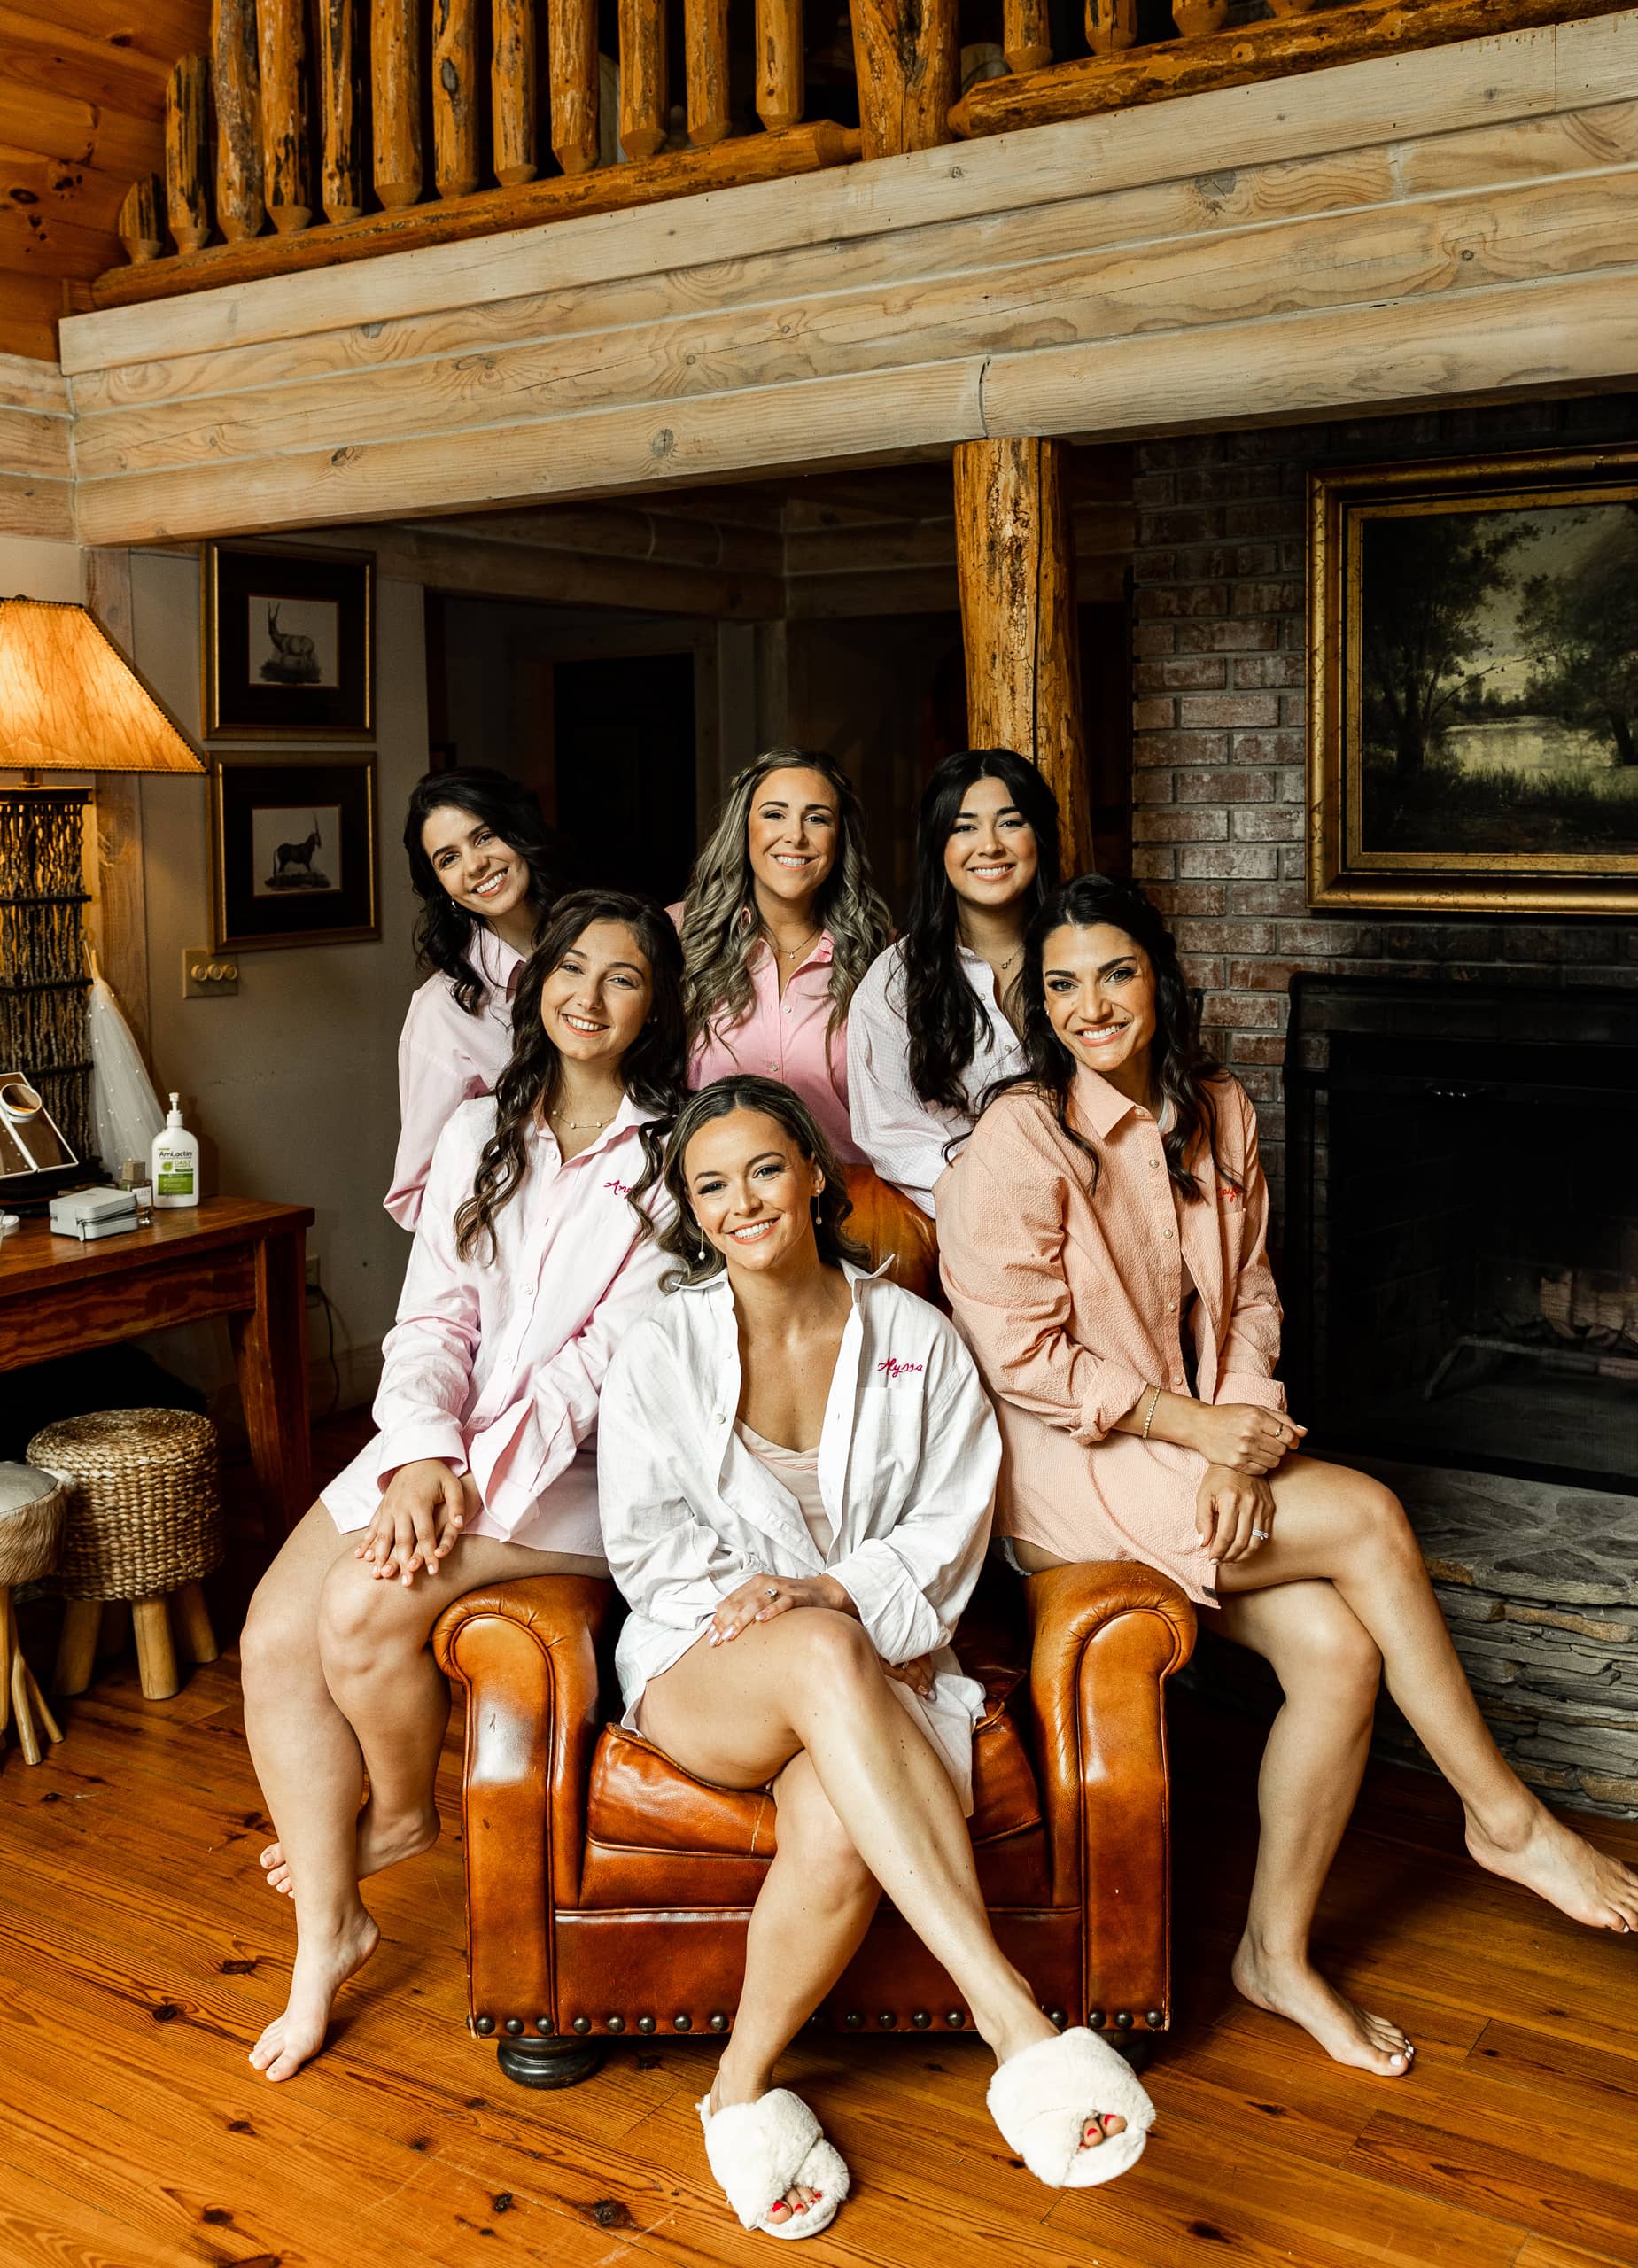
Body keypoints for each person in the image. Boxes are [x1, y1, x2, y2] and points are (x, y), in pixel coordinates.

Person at [938, 874, 1638, 2081]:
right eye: (1060, 984)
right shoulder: (1018, 1137)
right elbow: (1023, 1361)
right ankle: (1507, 1818)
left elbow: (1252, 1297)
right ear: (1036, 1002)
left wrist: (1247, 1425)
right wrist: (1197, 1430)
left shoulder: (1217, 1109)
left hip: (1197, 1435)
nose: (1090, 1005)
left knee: (1336, 1651)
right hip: (1074, 1466)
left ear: (1160, 976)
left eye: (1116, 971)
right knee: (1367, 1512)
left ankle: (1274, 1957)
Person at [597, 1074, 1156, 2240]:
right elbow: (646, 1546)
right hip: (710, 1666)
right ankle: (1014, 2022)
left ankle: (737, 2090)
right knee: (813, 1647)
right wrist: (798, 1609)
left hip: (880, 1672)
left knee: (841, 1812)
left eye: (762, 1169)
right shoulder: (661, 1345)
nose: (741, 1201)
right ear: (691, 1214)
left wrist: (841, 1598)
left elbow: (952, 1529)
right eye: (709, 1186)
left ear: (813, 1173)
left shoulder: (917, 1337)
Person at [239, 890, 686, 2084]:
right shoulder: (481, 1127)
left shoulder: (676, 1152)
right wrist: (422, 1452)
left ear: (657, 1005)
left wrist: (457, 1483)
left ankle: (399, 1812)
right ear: (538, 985)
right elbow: (433, 1315)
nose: (589, 995)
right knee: (276, 1637)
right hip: (451, 1440)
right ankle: (327, 1934)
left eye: (623, 977)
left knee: (364, 1609)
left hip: (582, 1477)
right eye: (570, 968)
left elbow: (607, 1370)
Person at [848, 749, 1060, 1217]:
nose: (989, 846)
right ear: (938, 847)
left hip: (1100, 1207)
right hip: (974, 1221)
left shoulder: (1086, 956)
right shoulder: (895, 980)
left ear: (1039, 837)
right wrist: (993, 1199)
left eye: (1011, 822)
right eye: (964, 827)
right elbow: (891, 1134)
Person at [674, 749, 890, 1169]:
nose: (796, 836)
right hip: (714, 1209)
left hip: (852, 1208)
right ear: (744, 828)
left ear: (839, 837)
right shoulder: (679, 938)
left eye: (817, 818)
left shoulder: (883, 957)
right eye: (775, 814)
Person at [386, 767, 557, 1229]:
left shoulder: (608, 947)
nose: (475, 865)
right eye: (448, 859)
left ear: (517, 830)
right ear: (442, 888)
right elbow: (417, 1197)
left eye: (483, 837)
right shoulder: (442, 1011)